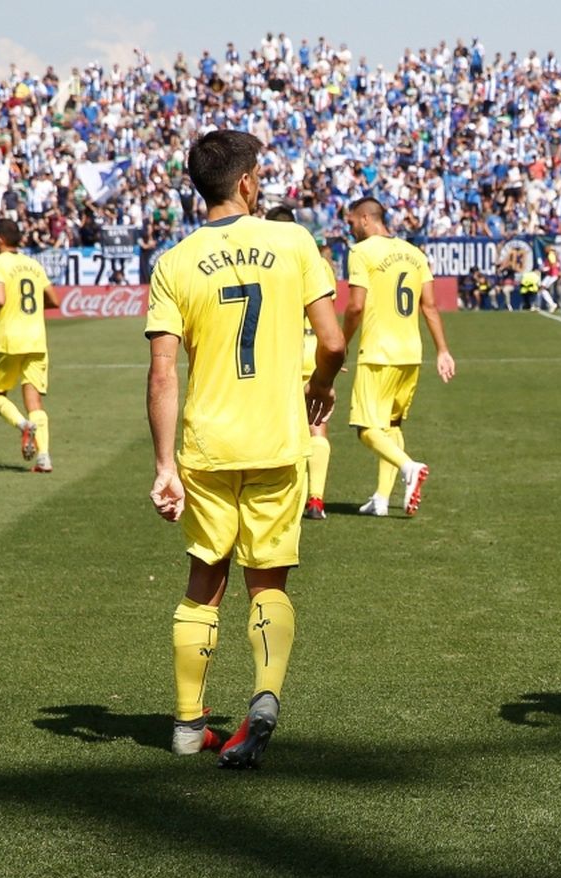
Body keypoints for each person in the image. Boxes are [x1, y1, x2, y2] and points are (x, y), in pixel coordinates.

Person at [145, 129, 346, 768]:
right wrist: (320, 385)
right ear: (248, 182)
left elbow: (162, 372)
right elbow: (333, 342)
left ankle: (188, 724)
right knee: (268, 582)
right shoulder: (293, 241)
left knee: (204, 582)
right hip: (277, 441)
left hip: (207, 445)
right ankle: (264, 697)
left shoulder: (173, 262)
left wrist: (163, 466)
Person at [342, 197, 455, 517]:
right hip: (411, 354)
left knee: (366, 428)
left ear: (366, 219)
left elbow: (355, 306)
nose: (350, 229)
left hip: (378, 353)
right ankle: (381, 498)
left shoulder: (361, 252)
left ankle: (409, 467)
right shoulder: (415, 253)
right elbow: (429, 306)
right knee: (391, 425)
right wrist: (443, 350)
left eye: (352, 222)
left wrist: (342, 343)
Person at [264, 205, 334, 520]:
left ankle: (284, 501)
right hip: (314, 347)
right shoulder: (319, 263)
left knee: (280, 426)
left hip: (280, 349)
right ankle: (316, 500)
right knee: (317, 425)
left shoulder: (263, 262)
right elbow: (326, 315)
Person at [0, 218, 59, 472]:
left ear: (0, 239)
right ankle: (44, 458)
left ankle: (23, 425)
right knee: (34, 401)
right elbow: (54, 300)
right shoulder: (33, 264)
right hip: (36, 339)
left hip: (9, 340)